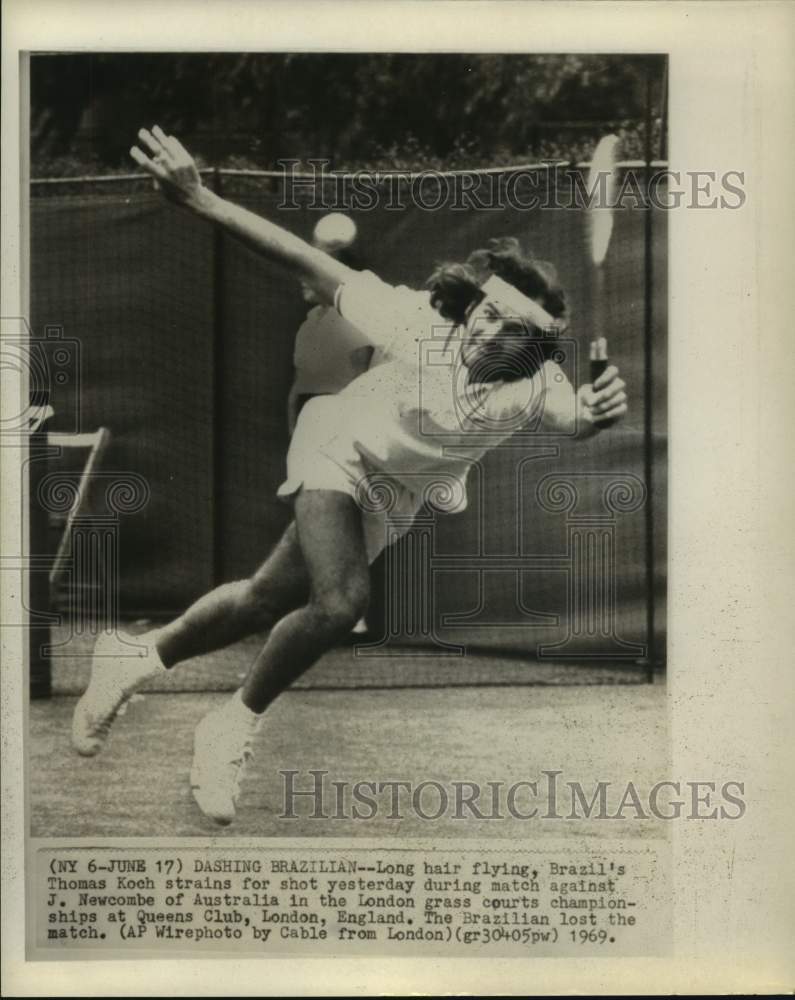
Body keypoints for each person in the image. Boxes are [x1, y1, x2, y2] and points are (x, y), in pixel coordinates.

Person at [71, 126, 628, 825]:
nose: (485, 334)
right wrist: (202, 199)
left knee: (263, 600)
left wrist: (599, 411)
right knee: (339, 603)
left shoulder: (536, 383)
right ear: (472, 306)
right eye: (483, 314)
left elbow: (576, 419)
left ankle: (135, 655)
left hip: (392, 493)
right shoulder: (414, 322)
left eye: (506, 330)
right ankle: (231, 725)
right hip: (339, 445)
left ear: (533, 346)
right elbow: (302, 257)